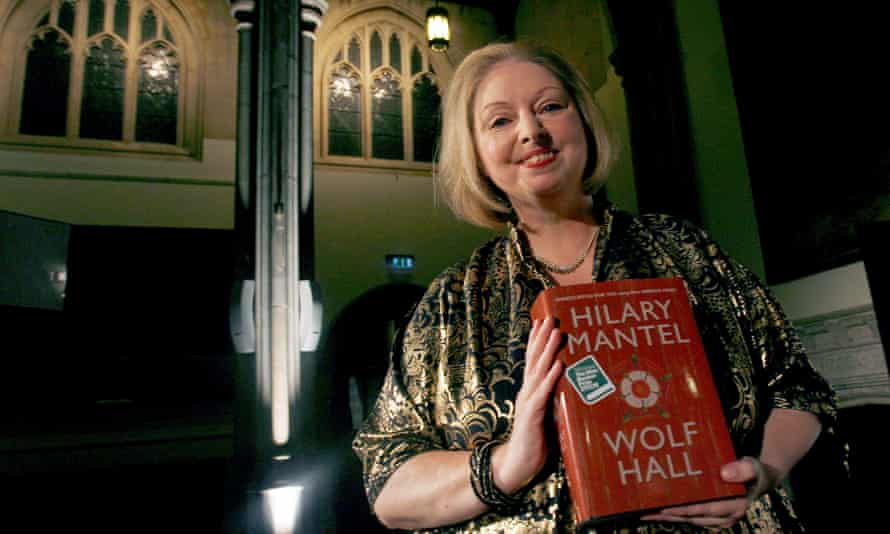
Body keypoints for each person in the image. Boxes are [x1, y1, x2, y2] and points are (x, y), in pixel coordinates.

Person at [352, 41, 839, 533]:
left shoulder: (686, 252)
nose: (531, 131)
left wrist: (766, 470)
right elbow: (387, 482)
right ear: (475, 153)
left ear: (583, 121)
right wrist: (504, 465)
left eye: (550, 107)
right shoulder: (452, 302)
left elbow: (799, 387)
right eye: (500, 121)